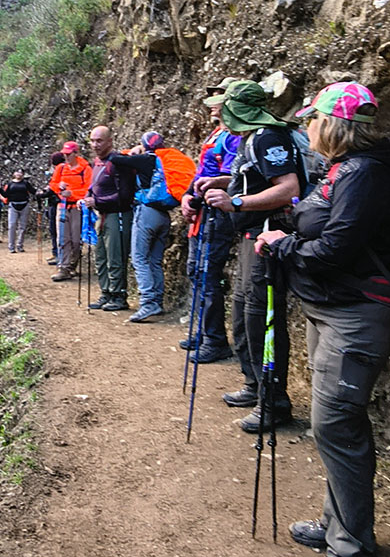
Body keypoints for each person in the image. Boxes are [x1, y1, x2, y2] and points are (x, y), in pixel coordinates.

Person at [255, 82, 390, 557]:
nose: (307, 127)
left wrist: (283, 246)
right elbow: (327, 229)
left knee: (337, 427)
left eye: (312, 119)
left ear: (331, 124)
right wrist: (288, 234)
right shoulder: (346, 169)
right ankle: (337, 526)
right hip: (332, 308)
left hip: (355, 315)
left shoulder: (364, 174)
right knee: (334, 426)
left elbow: (339, 247)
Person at [200, 80, 304, 433]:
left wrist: (235, 202)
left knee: (263, 318)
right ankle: (254, 385)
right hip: (250, 238)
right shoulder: (250, 139)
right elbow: (255, 180)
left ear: (238, 109)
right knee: (244, 313)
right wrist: (221, 182)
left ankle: (274, 403)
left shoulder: (268, 138)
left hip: (267, 238)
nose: (219, 113)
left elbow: (289, 189)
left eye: (224, 107)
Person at [180, 77, 241, 363]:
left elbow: (233, 177)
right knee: (196, 271)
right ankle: (204, 333)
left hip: (217, 213)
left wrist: (207, 190)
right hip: (203, 211)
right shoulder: (217, 133)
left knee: (207, 274)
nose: (212, 104)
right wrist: (187, 196)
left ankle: (215, 339)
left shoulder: (234, 136)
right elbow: (201, 172)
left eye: (218, 97)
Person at [120, 131, 195, 323]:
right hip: (164, 215)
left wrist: (132, 151)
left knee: (139, 258)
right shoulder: (168, 160)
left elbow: (116, 159)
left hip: (146, 213)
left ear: (144, 145)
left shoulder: (146, 160)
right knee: (154, 260)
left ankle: (147, 302)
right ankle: (157, 301)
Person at [82, 126, 144, 311]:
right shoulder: (97, 162)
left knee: (115, 257)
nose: (95, 145)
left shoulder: (119, 162)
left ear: (110, 141)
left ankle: (119, 296)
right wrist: (87, 198)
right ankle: (106, 293)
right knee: (101, 256)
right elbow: (95, 187)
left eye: (99, 141)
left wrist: (97, 201)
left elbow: (125, 195)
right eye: (92, 141)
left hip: (118, 215)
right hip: (101, 215)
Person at [49, 142, 92, 281]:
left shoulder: (85, 169)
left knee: (75, 240)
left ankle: (72, 265)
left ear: (76, 153)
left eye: (69, 154)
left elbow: (89, 189)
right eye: (64, 154)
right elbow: (53, 184)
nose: (66, 157)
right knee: (62, 238)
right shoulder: (61, 168)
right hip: (62, 206)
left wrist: (72, 194)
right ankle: (64, 268)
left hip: (78, 208)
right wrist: (59, 186)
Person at [37, 152, 66, 264]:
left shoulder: (61, 169)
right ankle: (56, 253)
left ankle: (58, 255)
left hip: (57, 203)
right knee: (54, 230)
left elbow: (54, 189)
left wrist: (43, 194)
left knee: (56, 230)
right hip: (54, 203)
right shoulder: (62, 169)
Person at [0, 169, 36, 253]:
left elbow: (33, 191)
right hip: (13, 205)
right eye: (17, 172)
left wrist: (42, 193)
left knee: (22, 226)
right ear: (14, 173)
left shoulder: (26, 183)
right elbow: (5, 194)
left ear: (23, 174)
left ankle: (20, 245)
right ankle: (11, 246)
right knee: (12, 225)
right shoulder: (10, 184)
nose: (18, 174)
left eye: (20, 172)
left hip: (24, 205)